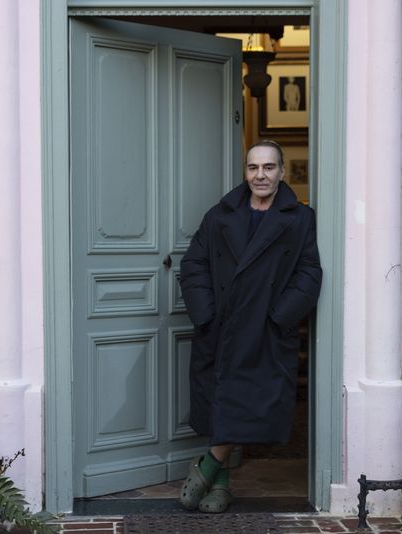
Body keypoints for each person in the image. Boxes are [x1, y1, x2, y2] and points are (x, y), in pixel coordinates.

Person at [178, 139, 322, 513]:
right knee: (221, 405)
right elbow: (193, 264)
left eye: (269, 167)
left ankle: (207, 466)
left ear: (282, 172)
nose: (261, 175)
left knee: (249, 404)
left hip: (265, 333)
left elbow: (309, 274)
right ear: (246, 172)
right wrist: (205, 314)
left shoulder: (300, 219)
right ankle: (221, 486)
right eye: (254, 168)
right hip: (221, 327)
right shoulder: (219, 215)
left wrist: (279, 318)